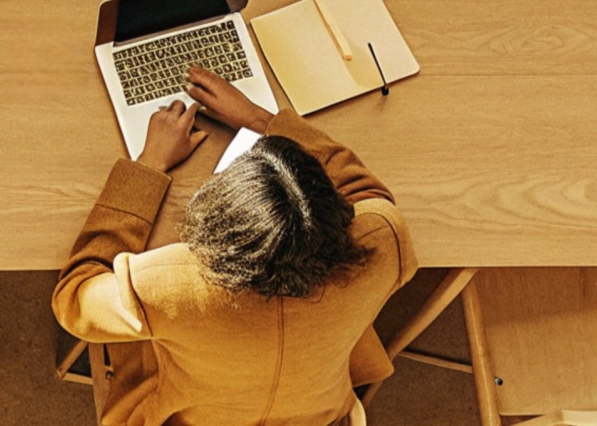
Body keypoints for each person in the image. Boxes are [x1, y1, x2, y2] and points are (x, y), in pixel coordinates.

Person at [52, 65, 416, 426]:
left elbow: (74, 299)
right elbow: (368, 193)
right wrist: (263, 120)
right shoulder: (384, 240)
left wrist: (148, 164)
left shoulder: (167, 287)